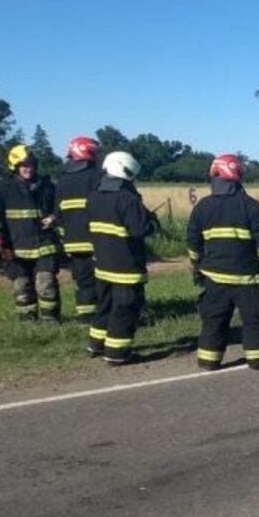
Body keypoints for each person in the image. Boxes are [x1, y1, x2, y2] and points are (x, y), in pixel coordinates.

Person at [186, 154, 259, 370]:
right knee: (254, 319)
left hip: (214, 278)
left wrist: (196, 268)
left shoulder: (202, 207)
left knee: (213, 320)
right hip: (247, 278)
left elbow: (193, 241)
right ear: (238, 176)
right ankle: (258, 358)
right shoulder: (251, 206)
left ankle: (209, 360)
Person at [87, 151, 159, 364]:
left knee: (105, 305)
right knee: (125, 309)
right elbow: (140, 229)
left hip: (103, 263)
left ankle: (95, 345)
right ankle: (116, 353)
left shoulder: (94, 195)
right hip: (126, 266)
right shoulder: (127, 199)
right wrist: (153, 222)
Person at [0, 144, 61, 322]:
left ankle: (51, 319)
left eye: (31, 165)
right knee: (22, 286)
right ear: (15, 166)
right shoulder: (2, 188)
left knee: (46, 282)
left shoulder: (47, 186)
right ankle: (27, 322)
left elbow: (61, 209)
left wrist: (54, 218)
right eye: (24, 165)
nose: (29, 169)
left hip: (45, 244)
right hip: (15, 246)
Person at [55, 136, 103, 324]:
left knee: (82, 280)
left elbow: (57, 213)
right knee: (102, 278)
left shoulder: (62, 181)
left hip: (73, 242)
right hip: (97, 239)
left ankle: (85, 316)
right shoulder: (96, 176)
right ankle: (104, 313)